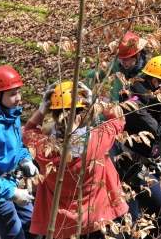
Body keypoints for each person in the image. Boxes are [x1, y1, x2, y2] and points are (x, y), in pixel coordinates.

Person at [23, 81, 129, 238]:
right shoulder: (98, 139)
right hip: (99, 218)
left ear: (53, 114)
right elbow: (119, 119)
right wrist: (96, 102)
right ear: (83, 113)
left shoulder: (43, 149)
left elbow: (29, 130)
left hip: (62, 226)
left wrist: (41, 110)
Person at [115, 55, 161, 239]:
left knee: (158, 215)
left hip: (154, 162)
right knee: (160, 215)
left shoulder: (156, 98)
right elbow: (159, 132)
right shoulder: (132, 101)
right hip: (134, 166)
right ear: (154, 81)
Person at [0, 66, 39, 239]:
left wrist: (25, 160)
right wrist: (12, 194)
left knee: (34, 229)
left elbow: (16, 147)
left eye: (19, 92)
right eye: (12, 94)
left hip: (12, 181)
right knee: (15, 236)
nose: (18, 98)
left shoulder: (12, 114)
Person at [85, 31, 150, 102]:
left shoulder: (149, 70)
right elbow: (90, 77)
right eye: (120, 59)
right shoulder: (116, 64)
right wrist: (95, 95)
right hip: (112, 108)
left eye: (126, 59)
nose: (122, 63)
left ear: (137, 56)